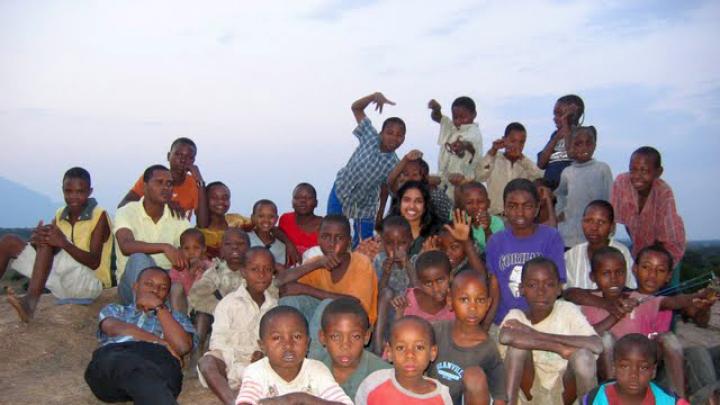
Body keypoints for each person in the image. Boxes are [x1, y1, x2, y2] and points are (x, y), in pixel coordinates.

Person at [568, 245, 717, 397]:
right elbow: (570, 293)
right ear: (635, 270)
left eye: (660, 270)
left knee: (690, 349)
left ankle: (683, 399)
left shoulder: (653, 298)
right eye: (646, 267)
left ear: (668, 276)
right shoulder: (618, 294)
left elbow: (685, 307)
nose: (652, 275)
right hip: (617, 368)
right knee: (606, 339)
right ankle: (612, 396)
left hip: (653, 364)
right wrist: (610, 307)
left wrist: (702, 297)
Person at [2, 167, 112, 322]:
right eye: (68, 191)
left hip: (89, 285)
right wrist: (36, 242)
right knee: (9, 242)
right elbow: (52, 253)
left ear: (90, 192)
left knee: (50, 241)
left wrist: (62, 243)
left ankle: (29, 304)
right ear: (62, 190)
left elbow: (94, 262)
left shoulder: (99, 216)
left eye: (80, 192)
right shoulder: (61, 213)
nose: (73, 197)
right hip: (62, 283)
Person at [84, 266, 196, 404]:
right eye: (149, 284)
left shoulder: (177, 318)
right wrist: (161, 342)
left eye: (162, 288)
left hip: (158, 362)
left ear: (167, 295)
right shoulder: (116, 309)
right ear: (135, 287)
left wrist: (159, 308)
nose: (155, 290)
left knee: (148, 377)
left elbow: (182, 347)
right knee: (129, 364)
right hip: (115, 359)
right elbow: (112, 328)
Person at [499, 257, 602, 405]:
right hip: (530, 393)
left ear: (559, 288)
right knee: (517, 349)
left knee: (583, 357)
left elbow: (597, 345)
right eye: (532, 285)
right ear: (522, 289)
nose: (541, 291)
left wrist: (533, 333)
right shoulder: (517, 316)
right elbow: (505, 336)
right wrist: (560, 348)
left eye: (549, 284)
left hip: (564, 393)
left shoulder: (568, 310)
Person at [198, 247, 278, 405]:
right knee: (206, 362)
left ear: (273, 272)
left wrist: (263, 356)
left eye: (267, 269)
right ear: (243, 272)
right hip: (230, 364)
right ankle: (231, 400)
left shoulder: (274, 308)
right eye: (254, 269)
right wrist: (238, 368)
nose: (261, 274)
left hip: (260, 365)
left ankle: (249, 387)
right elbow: (218, 343)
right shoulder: (228, 303)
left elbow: (275, 342)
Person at [485, 179, 566, 326]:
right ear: (504, 209)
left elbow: (557, 284)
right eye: (513, 206)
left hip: (543, 320)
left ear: (536, 209)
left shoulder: (551, 237)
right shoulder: (495, 242)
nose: (520, 212)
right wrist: (486, 325)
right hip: (505, 320)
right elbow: (494, 287)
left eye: (527, 206)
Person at [327, 92, 405, 247]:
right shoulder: (370, 136)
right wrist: (373, 97)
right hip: (342, 189)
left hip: (366, 203)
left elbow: (385, 188)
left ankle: (359, 267)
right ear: (381, 133)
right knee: (333, 231)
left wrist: (380, 213)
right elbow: (355, 108)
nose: (394, 138)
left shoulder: (395, 164)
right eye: (390, 133)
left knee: (364, 242)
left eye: (399, 135)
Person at [234, 306, 353, 404]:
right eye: (277, 338)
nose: (288, 345)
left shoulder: (317, 370)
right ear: (262, 345)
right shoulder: (256, 371)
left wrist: (301, 399)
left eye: (297, 337)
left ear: (307, 343)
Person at [276, 214, 379, 326]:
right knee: (289, 301)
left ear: (349, 241)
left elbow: (356, 305)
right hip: (324, 319)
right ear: (318, 239)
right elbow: (279, 282)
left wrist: (305, 289)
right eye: (325, 237)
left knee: (328, 305)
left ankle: (314, 344)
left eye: (339, 238)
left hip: (356, 324)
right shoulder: (318, 262)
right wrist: (317, 264)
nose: (332, 244)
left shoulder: (361, 263)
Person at [113, 164, 191, 305]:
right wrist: (165, 247)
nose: (165, 188)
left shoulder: (178, 217)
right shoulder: (126, 212)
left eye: (169, 184)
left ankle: (163, 320)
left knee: (176, 286)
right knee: (138, 258)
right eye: (159, 182)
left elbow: (188, 251)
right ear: (144, 186)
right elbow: (126, 246)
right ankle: (146, 314)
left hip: (165, 284)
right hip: (133, 283)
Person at [429, 270, 508, 405]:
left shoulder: (487, 348)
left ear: (488, 304)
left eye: (480, 300)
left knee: (474, 376)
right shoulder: (436, 330)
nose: (473, 308)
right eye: (464, 299)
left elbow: (500, 397)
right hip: (432, 399)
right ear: (450, 300)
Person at [610, 146, 686, 283]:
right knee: (639, 290)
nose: (637, 176)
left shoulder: (663, 192)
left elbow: (666, 238)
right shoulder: (622, 183)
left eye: (644, 171)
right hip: (640, 246)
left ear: (658, 172)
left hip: (667, 249)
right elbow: (614, 219)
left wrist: (652, 265)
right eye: (633, 170)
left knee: (665, 291)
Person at [355, 316, 453, 404]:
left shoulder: (441, 397)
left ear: (432, 352)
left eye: (419, 347)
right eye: (401, 348)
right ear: (389, 352)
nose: (410, 355)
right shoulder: (373, 383)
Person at [309, 297, 392, 399]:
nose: (345, 345)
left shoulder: (384, 377)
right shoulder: (311, 371)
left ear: (366, 337)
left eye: (355, 337)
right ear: (322, 337)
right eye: (335, 337)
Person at [188, 228, 251, 357]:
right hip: (215, 315)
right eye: (228, 244)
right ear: (221, 250)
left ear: (249, 249)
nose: (234, 248)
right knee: (202, 316)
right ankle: (197, 351)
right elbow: (197, 294)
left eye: (240, 244)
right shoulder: (216, 270)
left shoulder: (253, 271)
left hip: (244, 317)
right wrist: (223, 309)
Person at [581, 334, 690, 405]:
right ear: (614, 368)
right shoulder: (595, 399)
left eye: (643, 367)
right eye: (625, 366)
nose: (634, 375)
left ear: (653, 371)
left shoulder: (670, 402)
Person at [118, 137, 207, 223]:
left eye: (189, 157)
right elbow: (122, 207)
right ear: (168, 156)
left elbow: (203, 224)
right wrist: (164, 204)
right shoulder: (153, 176)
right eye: (178, 154)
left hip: (178, 235)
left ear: (193, 160)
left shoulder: (195, 184)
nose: (183, 160)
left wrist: (201, 182)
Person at [555, 126, 613, 248]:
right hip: (569, 235)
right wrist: (560, 212)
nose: (583, 147)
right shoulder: (568, 172)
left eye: (588, 143)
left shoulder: (602, 169)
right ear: (571, 147)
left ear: (594, 145)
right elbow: (560, 194)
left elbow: (610, 199)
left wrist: (610, 231)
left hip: (596, 234)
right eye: (578, 144)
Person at [475, 122, 544, 216]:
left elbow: (539, 177)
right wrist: (493, 151)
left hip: (517, 218)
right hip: (495, 216)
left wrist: (522, 158)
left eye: (521, 142)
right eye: (513, 141)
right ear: (504, 140)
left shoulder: (526, 164)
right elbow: (479, 176)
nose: (517, 146)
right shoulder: (493, 158)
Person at [564, 200, 635, 290]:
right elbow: (566, 292)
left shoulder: (621, 252)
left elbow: (629, 288)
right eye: (588, 221)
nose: (594, 227)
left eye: (601, 222)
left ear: (612, 227)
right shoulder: (571, 255)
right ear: (582, 222)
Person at [428, 96, 483, 200]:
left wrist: (462, 145)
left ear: (474, 115)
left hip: (463, 187)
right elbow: (437, 117)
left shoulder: (474, 133)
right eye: (455, 117)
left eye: (463, 117)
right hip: (444, 184)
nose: (458, 121)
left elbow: (470, 145)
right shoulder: (451, 127)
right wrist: (436, 109)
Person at [379, 152, 454, 228]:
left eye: (415, 175)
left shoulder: (436, 195)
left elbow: (448, 221)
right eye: (406, 174)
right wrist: (406, 158)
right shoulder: (401, 191)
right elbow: (390, 182)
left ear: (425, 177)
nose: (410, 178)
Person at [537, 95, 585, 190]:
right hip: (551, 190)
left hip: (570, 190)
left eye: (560, 114)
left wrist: (565, 124)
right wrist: (556, 138)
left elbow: (572, 153)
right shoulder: (555, 135)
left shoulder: (582, 134)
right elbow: (541, 163)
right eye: (555, 114)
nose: (555, 118)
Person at [387, 181, 444, 255]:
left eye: (418, 201)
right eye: (407, 200)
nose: (412, 206)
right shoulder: (388, 230)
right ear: (399, 203)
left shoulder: (436, 235)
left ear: (425, 206)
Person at [198, 181, 253, 259]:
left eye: (225, 198)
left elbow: (259, 221)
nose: (220, 201)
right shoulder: (201, 233)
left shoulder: (237, 220)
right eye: (214, 198)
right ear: (205, 200)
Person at [168, 228, 212, 314]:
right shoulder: (177, 268)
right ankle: (179, 320)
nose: (191, 252)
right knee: (176, 287)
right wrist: (190, 273)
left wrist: (204, 269)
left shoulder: (209, 266)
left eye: (196, 248)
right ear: (180, 250)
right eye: (186, 249)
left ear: (204, 249)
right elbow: (176, 292)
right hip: (184, 306)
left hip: (204, 309)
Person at [454, 181, 504, 251]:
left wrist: (487, 229)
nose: (475, 206)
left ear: (488, 203)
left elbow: (496, 251)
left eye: (480, 202)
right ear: (463, 206)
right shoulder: (461, 221)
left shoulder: (497, 223)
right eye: (469, 202)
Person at [279, 183, 322, 258]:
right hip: (287, 269)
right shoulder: (285, 219)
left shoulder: (325, 225)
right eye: (297, 198)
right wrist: (289, 243)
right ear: (292, 202)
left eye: (308, 198)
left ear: (316, 203)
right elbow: (276, 231)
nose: (303, 201)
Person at [248, 199, 286, 266]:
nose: (266, 220)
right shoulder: (245, 239)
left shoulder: (281, 247)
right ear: (253, 217)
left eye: (271, 217)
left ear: (277, 219)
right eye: (261, 216)